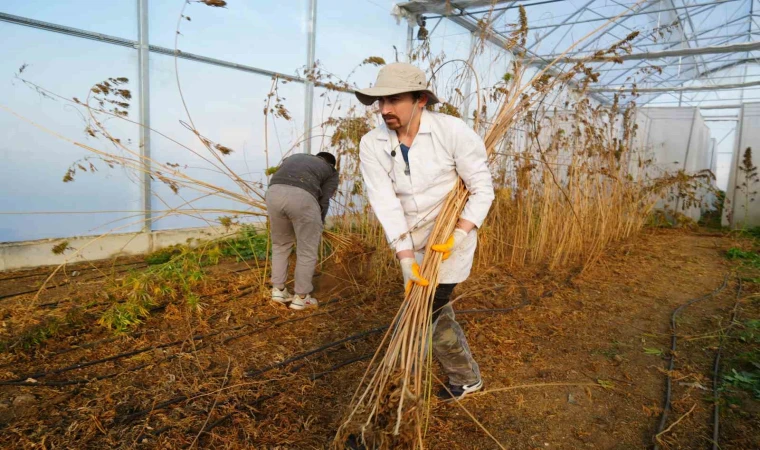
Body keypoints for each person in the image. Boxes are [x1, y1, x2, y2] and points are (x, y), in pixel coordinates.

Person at [356, 63, 495, 401]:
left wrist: (459, 234)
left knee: (418, 317)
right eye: (380, 101)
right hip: (410, 244)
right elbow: (385, 201)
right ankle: (467, 377)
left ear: (420, 99)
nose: (385, 109)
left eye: (394, 100)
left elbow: (482, 189)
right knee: (437, 316)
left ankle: (396, 399)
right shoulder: (372, 142)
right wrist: (404, 256)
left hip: (449, 244)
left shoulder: (452, 131)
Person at [265, 151, 339, 310]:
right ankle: (302, 298)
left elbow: (283, 170)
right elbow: (324, 200)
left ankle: (278, 290)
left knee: (280, 244)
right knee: (306, 250)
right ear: (331, 164)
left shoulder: (295, 156)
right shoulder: (331, 171)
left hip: (273, 193)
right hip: (302, 197)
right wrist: (319, 221)